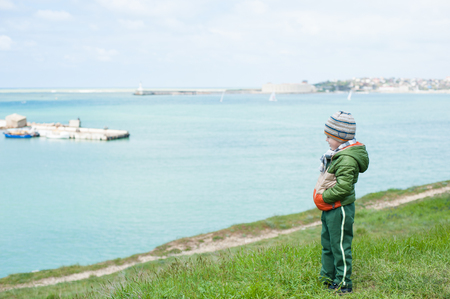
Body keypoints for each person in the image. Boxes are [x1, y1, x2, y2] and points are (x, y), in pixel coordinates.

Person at [313, 111, 369, 294]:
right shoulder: (337, 154)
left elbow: (344, 188)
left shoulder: (346, 159)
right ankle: (327, 277)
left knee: (340, 246)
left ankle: (343, 282)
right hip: (331, 208)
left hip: (340, 208)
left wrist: (323, 198)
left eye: (329, 136)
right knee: (328, 242)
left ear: (340, 137)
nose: (327, 140)